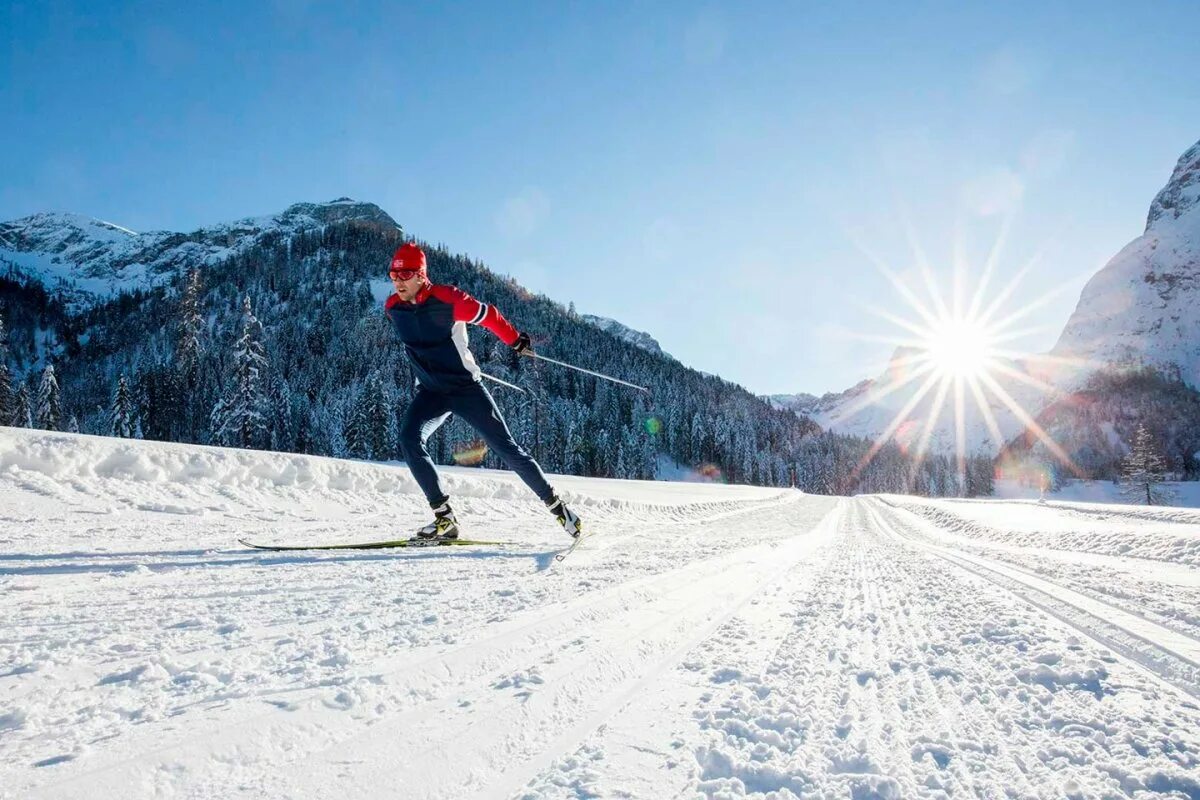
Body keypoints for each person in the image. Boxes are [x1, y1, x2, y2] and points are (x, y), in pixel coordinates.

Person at [383, 242, 582, 541]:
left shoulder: (448, 299)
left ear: (422, 275)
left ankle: (558, 507)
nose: (398, 281)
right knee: (409, 438)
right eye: (393, 275)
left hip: (465, 390)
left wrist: (515, 341)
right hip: (431, 392)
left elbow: (489, 315)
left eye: (406, 274)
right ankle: (444, 519)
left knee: (506, 448)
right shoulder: (392, 308)